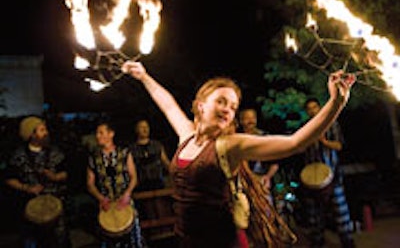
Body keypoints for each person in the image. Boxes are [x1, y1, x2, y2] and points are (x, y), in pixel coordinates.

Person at [121, 61, 355, 248]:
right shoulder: (187, 137)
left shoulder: (231, 145)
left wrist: (336, 103)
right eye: (221, 101)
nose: (227, 110)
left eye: (233, 107)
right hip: (186, 240)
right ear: (200, 105)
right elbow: (169, 105)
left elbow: (295, 142)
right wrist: (143, 76)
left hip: (221, 242)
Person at [4, 116, 70, 248]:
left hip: (55, 206)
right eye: (42, 130)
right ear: (32, 134)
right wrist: (27, 188)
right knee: (32, 241)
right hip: (30, 208)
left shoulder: (55, 151)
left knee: (60, 240)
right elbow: (9, 179)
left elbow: (67, 173)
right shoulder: (18, 155)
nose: (46, 132)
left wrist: (55, 177)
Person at [300, 97, 355, 248]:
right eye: (309, 108)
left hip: (332, 175)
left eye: (314, 107)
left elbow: (338, 146)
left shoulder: (331, 123)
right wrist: (307, 142)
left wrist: (324, 142)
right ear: (307, 111)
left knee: (340, 211)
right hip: (311, 177)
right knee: (314, 215)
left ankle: (347, 240)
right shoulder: (305, 127)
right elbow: (298, 148)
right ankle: (317, 240)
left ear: (319, 108)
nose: (312, 111)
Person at [86, 122, 145, 248]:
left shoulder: (124, 153)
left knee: (133, 241)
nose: (98, 136)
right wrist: (101, 198)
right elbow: (90, 184)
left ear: (111, 134)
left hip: (125, 202)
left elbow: (134, 177)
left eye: (101, 132)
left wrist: (127, 194)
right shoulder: (94, 157)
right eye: (97, 133)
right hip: (105, 205)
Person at [239, 108, 279, 202]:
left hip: (264, 180)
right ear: (241, 121)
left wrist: (268, 176)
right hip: (245, 181)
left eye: (253, 118)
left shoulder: (264, 137)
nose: (251, 121)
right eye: (247, 118)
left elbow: (275, 162)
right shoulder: (238, 139)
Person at [130, 119, 170, 192]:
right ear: (137, 130)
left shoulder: (157, 145)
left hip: (158, 184)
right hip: (141, 186)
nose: (145, 129)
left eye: (146, 127)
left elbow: (165, 162)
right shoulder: (132, 150)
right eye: (142, 127)